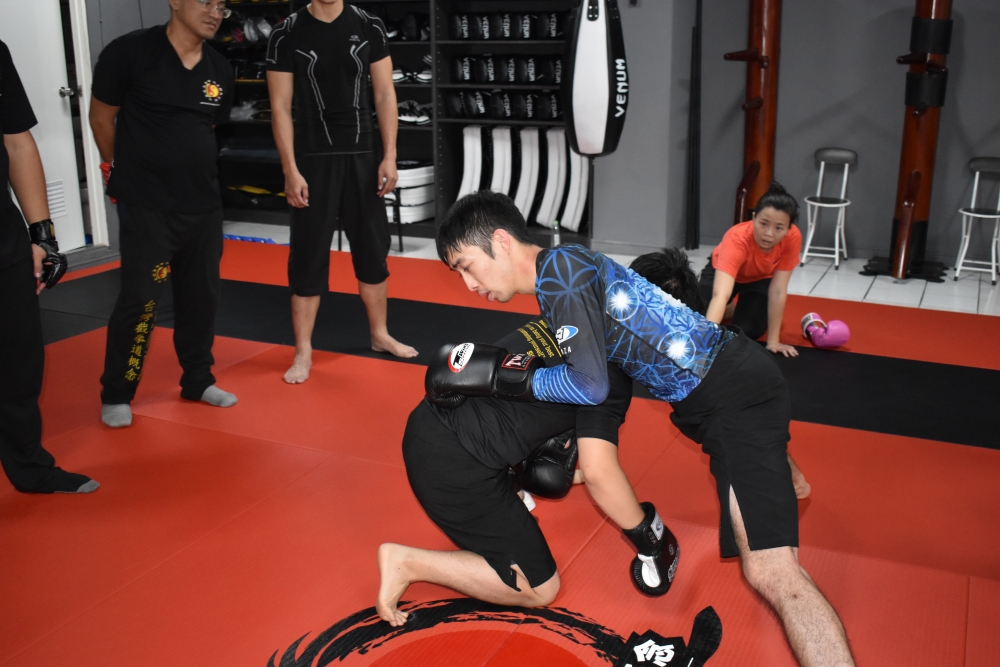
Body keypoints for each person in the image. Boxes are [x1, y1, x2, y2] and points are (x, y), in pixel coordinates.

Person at [430, 190, 854, 667]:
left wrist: (507, 378)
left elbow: (588, 385)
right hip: (731, 384)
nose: (469, 283)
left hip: (733, 400)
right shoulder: (564, 270)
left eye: (467, 266)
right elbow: (603, 374)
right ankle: (785, 474)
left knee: (771, 573)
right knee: (758, 471)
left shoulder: (559, 276)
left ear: (501, 241)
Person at [377, 319, 680, 627]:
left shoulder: (568, 315)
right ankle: (408, 564)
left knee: (540, 474)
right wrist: (650, 537)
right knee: (541, 588)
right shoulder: (607, 380)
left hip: (427, 423)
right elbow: (599, 472)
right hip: (454, 471)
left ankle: (506, 496)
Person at [89, 0, 238, 428]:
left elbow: (207, 129)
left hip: (203, 206)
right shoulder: (130, 52)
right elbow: (101, 118)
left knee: (201, 298)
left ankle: (198, 380)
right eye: (206, 2)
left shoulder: (220, 68)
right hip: (148, 207)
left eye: (222, 6)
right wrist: (117, 170)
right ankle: (117, 392)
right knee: (141, 300)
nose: (215, 12)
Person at [266, 0, 416, 385]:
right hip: (312, 160)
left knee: (372, 247)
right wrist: (290, 169)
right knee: (308, 253)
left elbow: (385, 94)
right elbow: (280, 106)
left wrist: (390, 156)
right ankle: (303, 351)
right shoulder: (286, 33)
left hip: (363, 156)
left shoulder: (369, 25)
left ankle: (380, 334)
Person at [631, 248, 810, 499]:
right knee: (758, 436)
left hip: (734, 391)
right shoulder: (664, 327)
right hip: (751, 366)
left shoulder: (644, 335)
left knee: (744, 496)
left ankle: (782, 481)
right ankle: (789, 474)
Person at [0, 40, 98, 493]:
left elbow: (17, 142)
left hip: (3, 240)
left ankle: (29, 468)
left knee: (19, 361)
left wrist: (43, 235)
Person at [699, 182, 802, 357]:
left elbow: (778, 290)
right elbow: (721, 293)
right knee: (696, 317)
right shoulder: (737, 237)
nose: (769, 234)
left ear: (788, 229)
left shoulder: (792, 238)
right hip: (722, 273)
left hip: (759, 278)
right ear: (753, 217)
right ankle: (728, 307)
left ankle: (734, 309)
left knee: (748, 329)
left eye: (779, 228)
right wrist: (706, 343)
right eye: (764, 224)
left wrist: (774, 341)